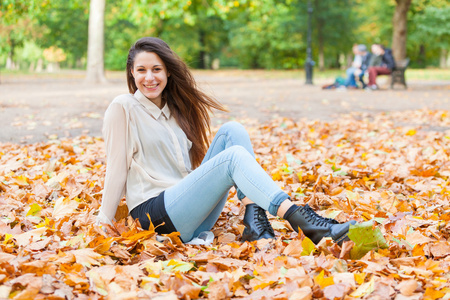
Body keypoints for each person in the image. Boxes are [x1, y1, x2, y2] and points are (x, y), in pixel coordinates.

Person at [96, 37, 356, 245]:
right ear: (131, 73)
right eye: (141, 70)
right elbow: (117, 169)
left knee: (233, 131)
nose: (149, 78)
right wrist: (103, 222)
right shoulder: (123, 107)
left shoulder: (174, 111)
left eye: (156, 69)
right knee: (233, 158)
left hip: (188, 212)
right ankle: (301, 218)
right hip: (153, 215)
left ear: (168, 73)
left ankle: (255, 220)